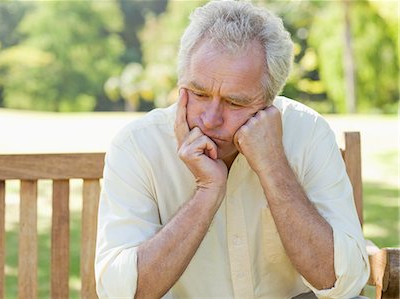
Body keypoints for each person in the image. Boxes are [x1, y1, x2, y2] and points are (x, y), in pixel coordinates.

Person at [95, 1, 369, 298]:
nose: (210, 119)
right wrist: (207, 191)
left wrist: (273, 166)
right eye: (199, 94)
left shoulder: (308, 132)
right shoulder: (137, 146)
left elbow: (344, 284)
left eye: (234, 102)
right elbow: (119, 293)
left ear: (269, 102)